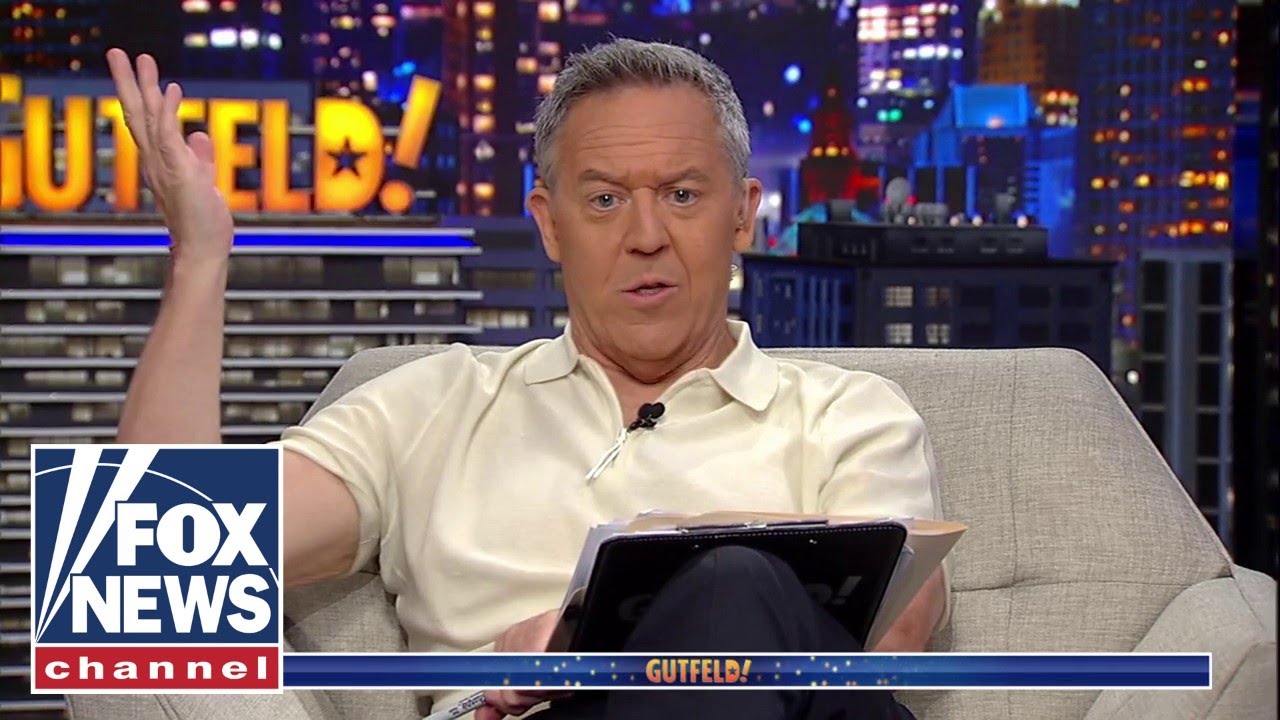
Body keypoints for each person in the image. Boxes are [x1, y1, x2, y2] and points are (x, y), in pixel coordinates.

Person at [107, 38, 948, 720]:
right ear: (549, 224)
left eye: (683, 195)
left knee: (739, 587)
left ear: (743, 213)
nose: (647, 235)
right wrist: (200, 258)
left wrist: (596, 636)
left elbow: (894, 634)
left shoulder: (845, 414)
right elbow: (138, 553)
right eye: (605, 200)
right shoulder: (430, 404)